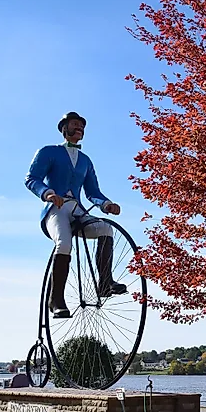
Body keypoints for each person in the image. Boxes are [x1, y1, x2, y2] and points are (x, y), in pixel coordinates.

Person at [25, 111, 126, 319]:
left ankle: (105, 282)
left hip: (77, 210)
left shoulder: (85, 161)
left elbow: (92, 192)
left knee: (106, 229)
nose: (78, 127)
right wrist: (48, 193)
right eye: (74, 123)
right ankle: (56, 300)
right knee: (64, 244)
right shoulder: (48, 152)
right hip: (56, 210)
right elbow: (32, 178)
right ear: (64, 128)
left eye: (81, 125)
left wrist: (106, 204)